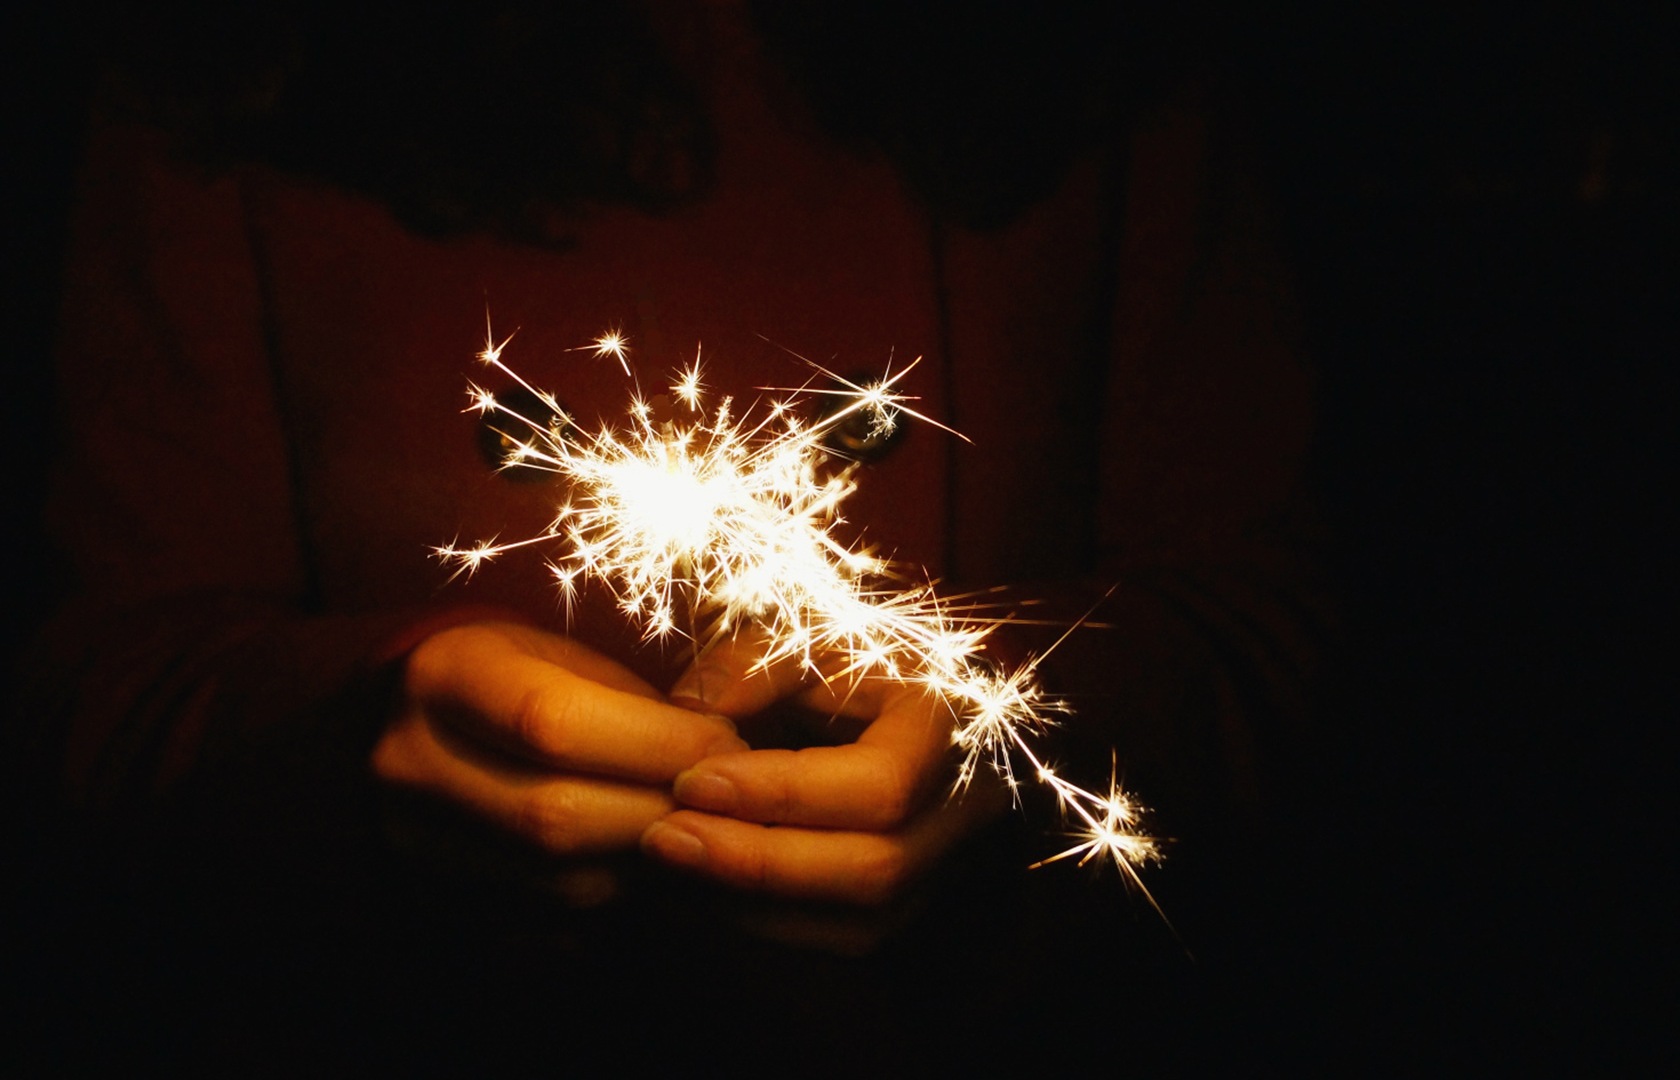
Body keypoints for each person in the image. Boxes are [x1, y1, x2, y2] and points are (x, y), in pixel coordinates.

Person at [26, 1, 1317, 1069]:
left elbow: (1284, 630)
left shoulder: (1109, 51)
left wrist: (1030, 722)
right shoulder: (225, 63)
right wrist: (351, 732)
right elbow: (97, 692)